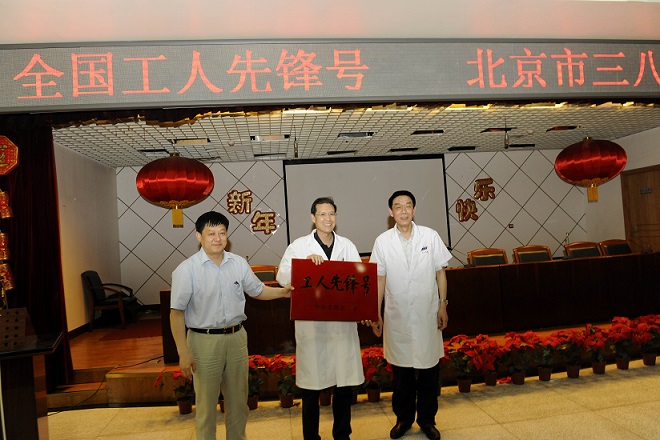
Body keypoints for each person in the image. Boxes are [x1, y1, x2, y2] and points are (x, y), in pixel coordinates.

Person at [170, 211, 293, 440]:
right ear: (198, 236)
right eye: (211, 233)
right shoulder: (186, 270)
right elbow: (176, 314)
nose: (217, 238)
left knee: (238, 404)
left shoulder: (238, 263)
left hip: (236, 339)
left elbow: (257, 290)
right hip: (204, 341)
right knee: (206, 408)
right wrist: (183, 353)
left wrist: (283, 293)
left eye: (222, 233)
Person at [276, 197, 365, 440]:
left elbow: (359, 280)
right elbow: (282, 276)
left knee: (343, 385)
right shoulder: (299, 246)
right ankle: (311, 436)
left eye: (331, 214)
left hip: (342, 326)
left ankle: (342, 434)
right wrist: (303, 265)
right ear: (313, 218)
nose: (328, 218)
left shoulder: (347, 245)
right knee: (311, 388)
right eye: (322, 214)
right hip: (312, 326)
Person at [369, 190, 452, 440]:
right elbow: (380, 279)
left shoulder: (430, 236)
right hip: (397, 317)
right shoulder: (382, 241)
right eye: (398, 206)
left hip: (427, 314)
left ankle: (427, 420)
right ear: (390, 212)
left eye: (408, 206)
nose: (403, 211)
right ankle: (403, 420)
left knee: (429, 372)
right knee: (402, 375)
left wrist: (443, 305)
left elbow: (440, 273)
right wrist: (376, 312)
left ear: (414, 210)